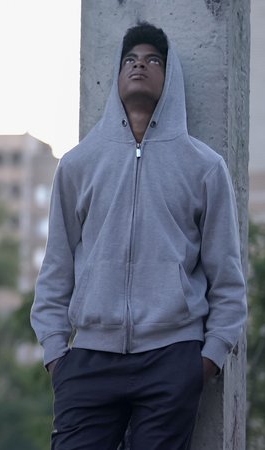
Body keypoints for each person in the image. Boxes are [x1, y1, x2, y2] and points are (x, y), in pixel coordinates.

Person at [30, 23, 247, 449]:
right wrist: (57, 354)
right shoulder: (79, 164)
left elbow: (227, 274)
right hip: (89, 359)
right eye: (130, 60)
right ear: (116, 75)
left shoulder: (203, 166)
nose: (139, 66)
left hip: (172, 358)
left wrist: (208, 359)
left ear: (170, 78)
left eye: (152, 60)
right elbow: (56, 265)